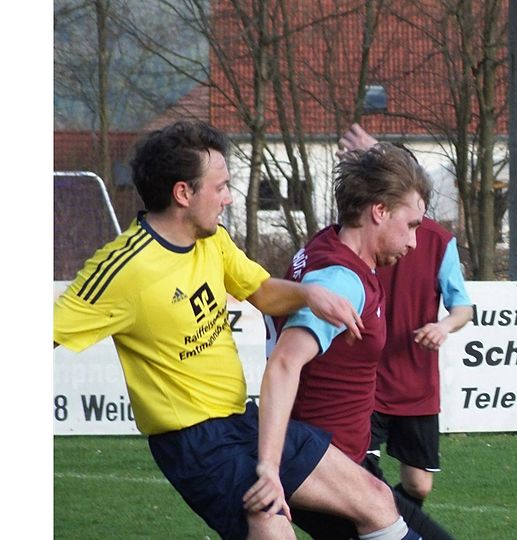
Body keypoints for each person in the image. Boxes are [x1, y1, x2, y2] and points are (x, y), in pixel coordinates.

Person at [53, 121, 416, 540]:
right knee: (272, 526)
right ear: (183, 193)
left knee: (376, 499)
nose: (228, 198)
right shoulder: (123, 268)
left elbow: (260, 291)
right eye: (221, 186)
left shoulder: (211, 240)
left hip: (241, 420)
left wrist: (308, 294)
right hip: (196, 445)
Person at [251, 142, 450, 539]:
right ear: (379, 211)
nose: (414, 242)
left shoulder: (328, 245)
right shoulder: (341, 279)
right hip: (326, 468)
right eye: (411, 225)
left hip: (344, 462)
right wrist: (269, 467)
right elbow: (286, 363)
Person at [338, 123, 474, 508]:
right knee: (361, 475)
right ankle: (377, 524)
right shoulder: (363, 233)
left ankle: (387, 522)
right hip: (367, 379)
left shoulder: (439, 242)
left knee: (418, 486)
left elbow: (463, 307)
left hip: (416, 383)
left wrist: (443, 326)